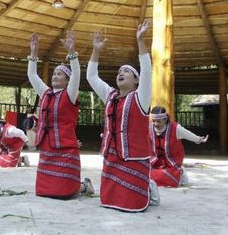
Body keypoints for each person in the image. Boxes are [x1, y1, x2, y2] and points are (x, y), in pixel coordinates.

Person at [86, 19, 159, 212]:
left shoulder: (141, 97)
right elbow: (91, 77)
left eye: (126, 71)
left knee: (133, 204)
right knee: (108, 201)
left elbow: (147, 72)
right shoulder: (110, 95)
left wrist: (141, 41)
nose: (121, 73)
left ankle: (149, 187)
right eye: (119, 71)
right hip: (112, 156)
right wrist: (96, 50)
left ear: (136, 80)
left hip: (134, 157)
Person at [27, 31, 94, 199]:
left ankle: (84, 187)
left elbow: (77, 75)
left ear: (67, 79)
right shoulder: (45, 93)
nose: (55, 76)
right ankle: (83, 186)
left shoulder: (70, 93)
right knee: (43, 192)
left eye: (60, 74)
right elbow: (32, 75)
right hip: (47, 147)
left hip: (66, 148)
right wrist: (34, 53)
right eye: (54, 74)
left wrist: (72, 53)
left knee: (65, 193)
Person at [149, 106, 209, 187]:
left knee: (168, 178)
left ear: (165, 119)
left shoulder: (175, 128)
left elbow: (188, 135)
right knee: (144, 175)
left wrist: (199, 139)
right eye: (153, 121)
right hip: (154, 162)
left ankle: (180, 172)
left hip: (171, 163)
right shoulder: (148, 128)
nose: (156, 124)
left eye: (158, 121)